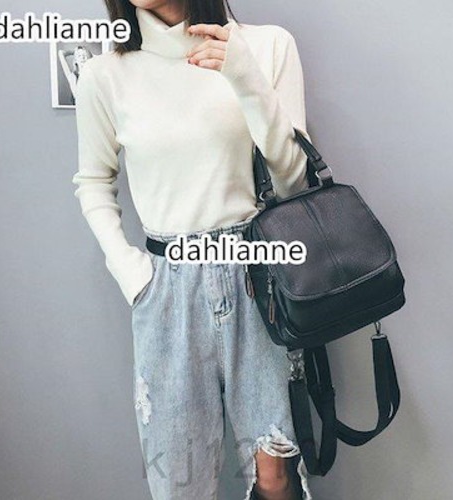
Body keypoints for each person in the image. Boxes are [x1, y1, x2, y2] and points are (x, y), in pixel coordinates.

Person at [71, 0, 315, 498]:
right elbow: (93, 181)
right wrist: (134, 275)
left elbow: (295, 182)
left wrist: (244, 76)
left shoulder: (267, 46)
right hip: (167, 289)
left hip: (257, 277)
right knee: (179, 481)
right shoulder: (104, 74)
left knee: (275, 473)